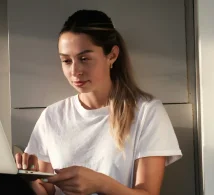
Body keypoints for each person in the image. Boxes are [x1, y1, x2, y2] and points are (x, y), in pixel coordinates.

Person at [15, 9, 182, 195]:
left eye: (84, 59)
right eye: (66, 61)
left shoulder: (146, 111)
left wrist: (101, 184)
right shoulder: (52, 115)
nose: (75, 71)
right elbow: (46, 188)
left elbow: (148, 192)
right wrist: (28, 178)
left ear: (112, 55)